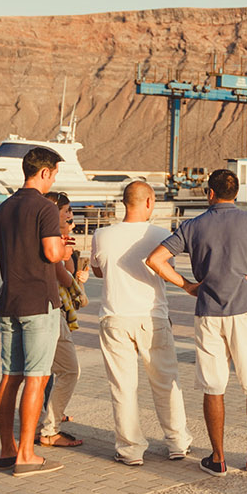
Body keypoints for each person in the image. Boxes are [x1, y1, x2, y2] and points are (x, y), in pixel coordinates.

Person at [146, 168, 247, 476]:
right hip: (246, 311)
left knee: (213, 387)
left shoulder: (193, 226)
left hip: (208, 313)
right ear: (237, 192)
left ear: (210, 194)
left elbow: (155, 259)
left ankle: (217, 459)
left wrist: (187, 285)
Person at [90, 180, 192, 465]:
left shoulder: (102, 234)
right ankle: (177, 442)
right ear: (149, 202)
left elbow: (98, 270)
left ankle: (130, 449)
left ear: (125, 202)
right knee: (166, 382)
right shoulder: (161, 234)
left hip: (114, 317)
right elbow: (167, 270)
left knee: (122, 387)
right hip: (153, 316)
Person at [0, 146, 67, 477]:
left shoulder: (3, 208)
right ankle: (26, 454)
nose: (53, 182)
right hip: (39, 302)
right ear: (45, 172)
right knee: (38, 377)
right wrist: (64, 243)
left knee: (10, 377)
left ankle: (7, 449)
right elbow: (52, 254)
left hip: (9, 300)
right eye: (54, 175)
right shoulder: (45, 208)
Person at [37, 192, 86, 448]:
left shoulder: (39, 233)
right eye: (66, 210)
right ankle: (47, 429)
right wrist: (77, 287)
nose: (70, 216)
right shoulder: (51, 238)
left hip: (42, 308)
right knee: (65, 370)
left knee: (37, 372)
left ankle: (45, 425)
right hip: (49, 309)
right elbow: (60, 270)